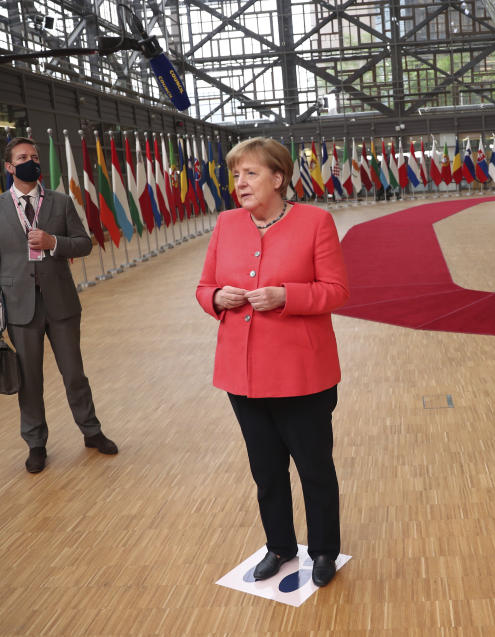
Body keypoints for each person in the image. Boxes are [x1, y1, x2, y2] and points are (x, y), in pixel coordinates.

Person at [196, 137, 350, 587]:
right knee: (265, 471)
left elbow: (337, 290)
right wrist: (216, 297)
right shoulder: (226, 224)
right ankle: (280, 546)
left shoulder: (316, 222)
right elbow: (204, 287)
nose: (240, 183)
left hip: (302, 375)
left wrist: (287, 296)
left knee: (314, 470)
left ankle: (323, 551)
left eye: (251, 173)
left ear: (278, 178)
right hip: (241, 376)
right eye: (236, 174)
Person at [0, 136, 117, 474]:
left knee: (74, 373)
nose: (32, 160)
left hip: (61, 302)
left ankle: (91, 431)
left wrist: (53, 242)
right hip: (19, 306)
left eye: (35, 155)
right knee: (29, 380)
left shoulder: (60, 202)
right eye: (23, 157)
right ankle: (36, 443)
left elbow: (85, 244)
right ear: (10, 167)